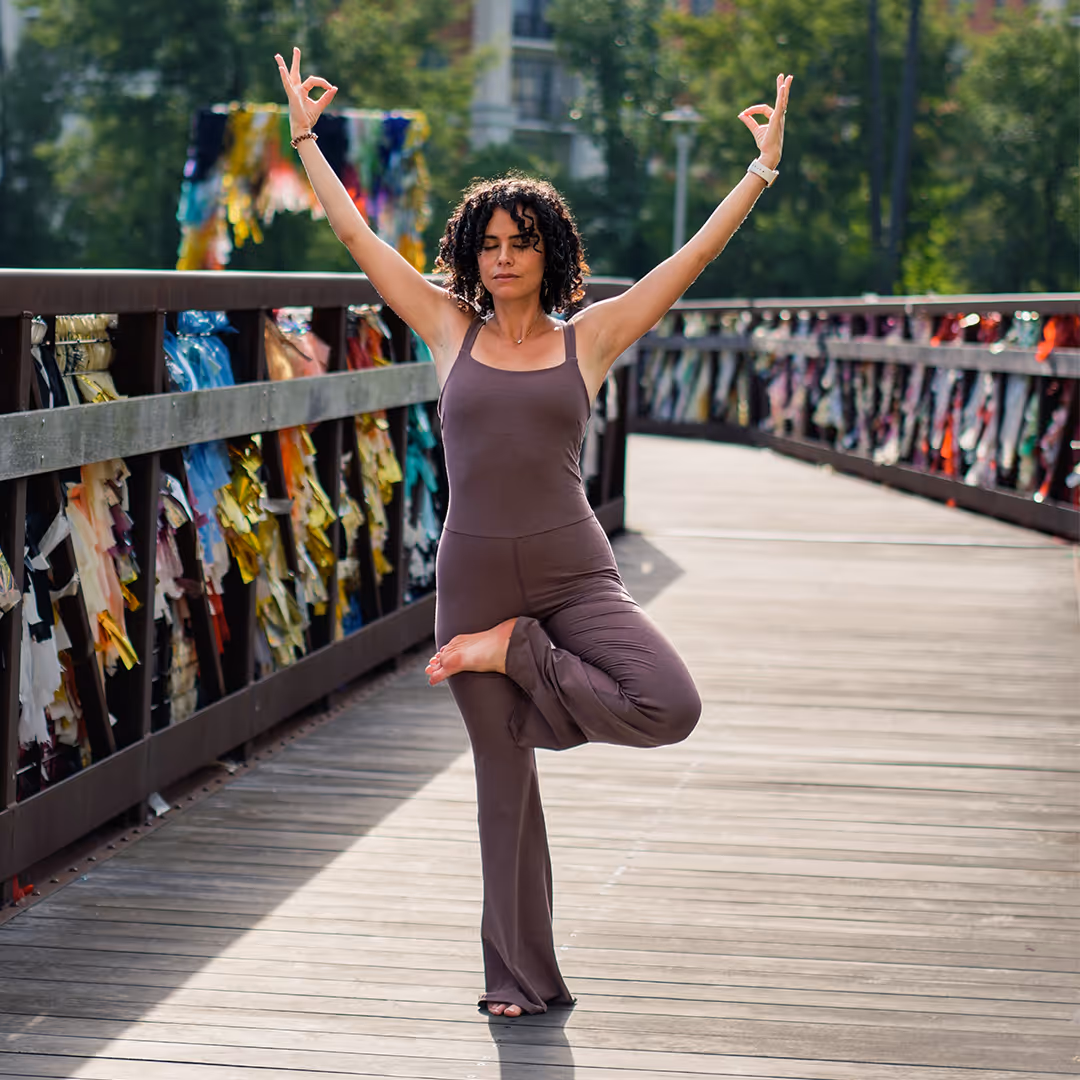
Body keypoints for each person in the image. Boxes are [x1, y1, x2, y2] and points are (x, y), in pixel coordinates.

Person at [276, 47, 791, 1018]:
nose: (504, 257)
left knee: (668, 703)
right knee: (502, 784)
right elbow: (355, 237)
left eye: (521, 242)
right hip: (471, 586)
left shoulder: (587, 336)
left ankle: (524, 658)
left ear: (549, 251)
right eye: (490, 244)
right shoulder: (442, 327)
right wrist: (306, 140)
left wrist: (758, 172)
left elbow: (692, 263)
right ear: (472, 254)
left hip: (573, 580)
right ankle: (516, 979)